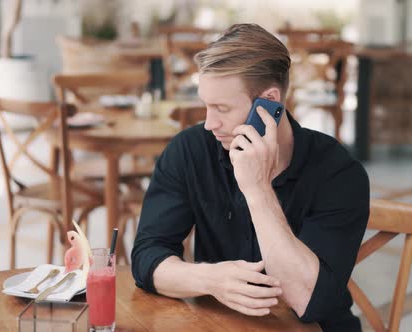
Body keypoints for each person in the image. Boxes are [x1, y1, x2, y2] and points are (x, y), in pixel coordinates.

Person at [131, 23, 369, 331]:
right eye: (206, 105)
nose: (209, 124)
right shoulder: (191, 151)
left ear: (268, 102)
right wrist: (211, 279)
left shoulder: (338, 173)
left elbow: (309, 300)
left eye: (222, 108)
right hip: (221, 325)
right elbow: (148, 257)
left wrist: (257, 189)